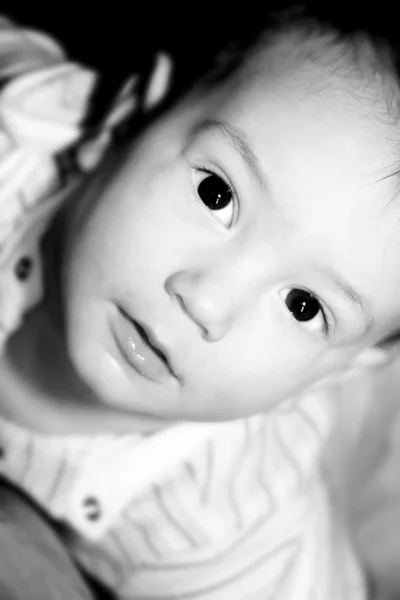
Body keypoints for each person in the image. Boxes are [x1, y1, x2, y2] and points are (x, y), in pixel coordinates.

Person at [0, 3, 399, 598]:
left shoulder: (230, 532)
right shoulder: (17, 137)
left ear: (331, 372)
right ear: (128, 117)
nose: (206, 303)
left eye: (304, 307)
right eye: (217, 194)